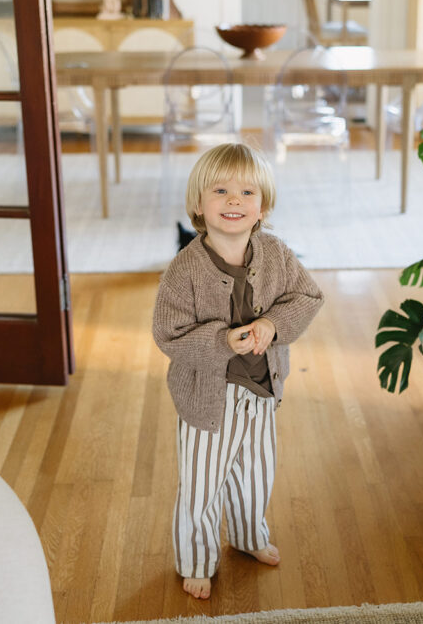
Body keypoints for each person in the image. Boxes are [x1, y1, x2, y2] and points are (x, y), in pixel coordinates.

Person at [152, 143, 324, 600]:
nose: (234, 201)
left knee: (255, 472)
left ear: (262, 206)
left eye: (247, 192)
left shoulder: (277, 254)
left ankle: (248, 537)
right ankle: (195, 559)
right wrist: (220, 341)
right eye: (221, 190)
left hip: (262, 389)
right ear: (198, 205)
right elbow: (168, 334)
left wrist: (272, 324)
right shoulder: (183, 270)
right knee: (203, 483)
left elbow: (307, 298)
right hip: (209, 399)